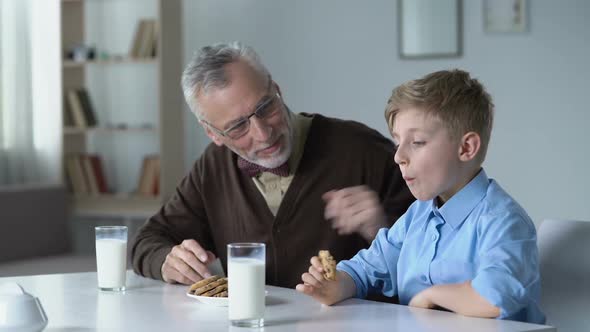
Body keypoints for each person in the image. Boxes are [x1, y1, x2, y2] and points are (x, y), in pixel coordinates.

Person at [131, 42, 414, 289]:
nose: (263, 133)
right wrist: (166, 261)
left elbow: (441, 258)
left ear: (277, 90)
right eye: (239, 127)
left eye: (266, 107)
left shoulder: (362, 148)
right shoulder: (213, 167)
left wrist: (381, 227)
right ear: (213, 134)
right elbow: (148, 240)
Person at [296, 69, 546, 324]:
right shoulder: (418, 214)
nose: (398, 156)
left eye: (416, 142)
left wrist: (431, 296)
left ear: (466, 147)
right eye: (397, 142)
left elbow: (494, 296)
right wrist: (336, 284)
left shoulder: (503, 220)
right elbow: (366, 270)